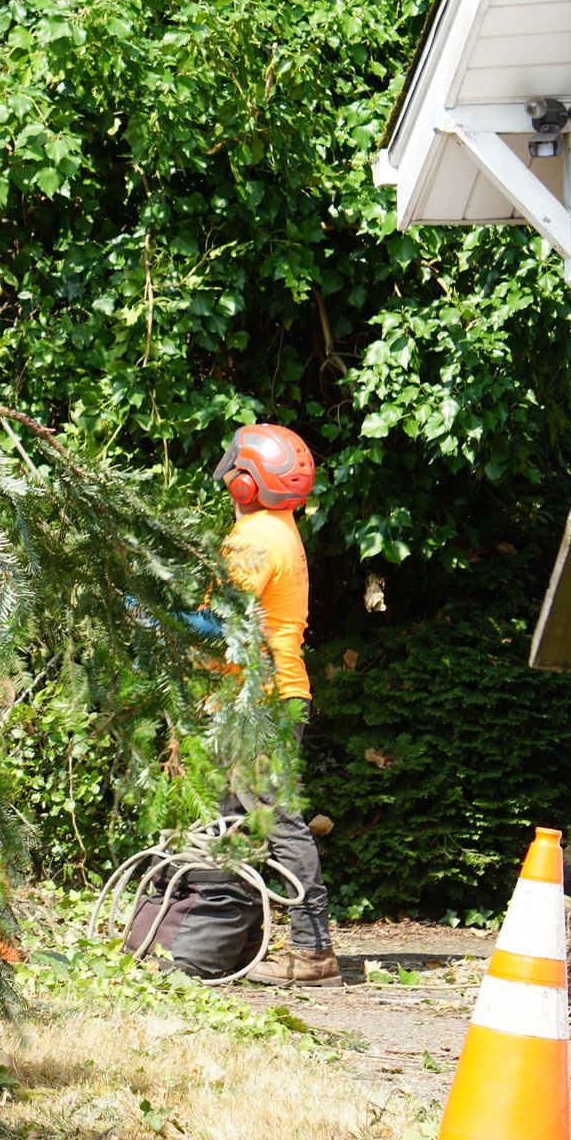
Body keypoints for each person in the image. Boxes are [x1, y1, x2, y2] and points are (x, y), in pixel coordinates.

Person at [210, 423, 340, 987]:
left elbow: (219, 622)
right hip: (269, 694)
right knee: (234, 819)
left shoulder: (255, 537)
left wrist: (150, 609)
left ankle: (314, 953)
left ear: (247, 483)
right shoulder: (281, 528)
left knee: (278, 821)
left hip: (261, 701)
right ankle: (228, 942)